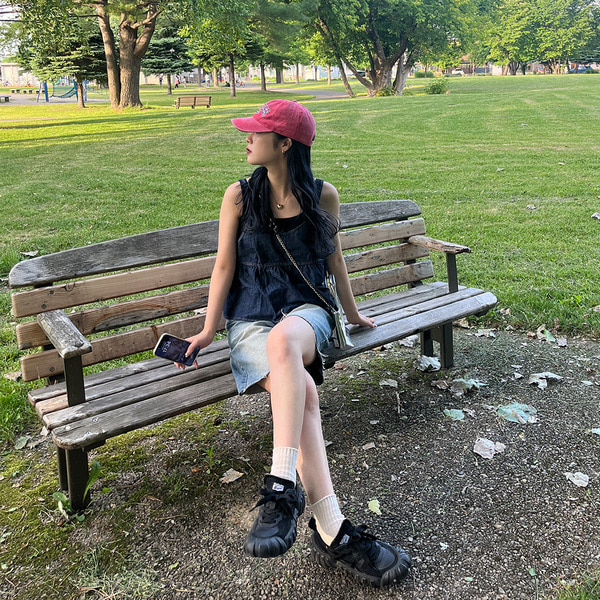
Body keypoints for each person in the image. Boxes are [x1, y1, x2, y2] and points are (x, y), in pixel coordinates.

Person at [180, 99, 411, 587]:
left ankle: (281, 484)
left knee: (286, 340)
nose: (246, 138)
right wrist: (207, 328)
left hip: (306, 311)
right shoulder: (239, 196)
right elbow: (224, 266)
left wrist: (351, 315)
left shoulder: (323, 196)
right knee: (300, 388)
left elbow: (334, 261)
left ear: (285, 143)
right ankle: (333, 530)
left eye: (256, 131)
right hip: (249, 320)